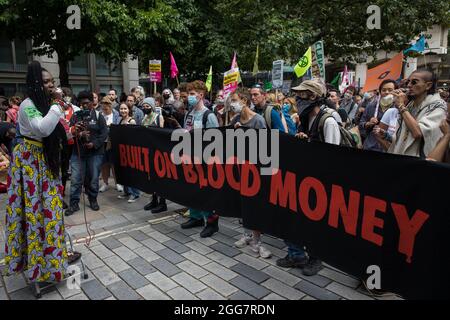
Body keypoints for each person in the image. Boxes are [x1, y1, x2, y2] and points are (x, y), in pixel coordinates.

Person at [5, 61, 79, 284]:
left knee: (50, 211)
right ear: (35, 82)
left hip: (44, 163)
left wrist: (73, 132)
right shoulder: (29, 104)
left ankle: (51, 260)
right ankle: (37, 263)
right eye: (45, 81)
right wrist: (58, 104)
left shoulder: (44, 103)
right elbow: (42, 128)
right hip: (30, 164)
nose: (50, 85)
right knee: (34, 214)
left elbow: (54, 132)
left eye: (52, 82)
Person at [277, 79, 341, 276]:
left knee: (315, 222)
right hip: (304, 177)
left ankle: (316, 257)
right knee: (291, 216)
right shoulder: (306, 118)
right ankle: (295, 254)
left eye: (302, 95)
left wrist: (310, 144)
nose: (298, 99)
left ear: (313, 97)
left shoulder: (328, 120)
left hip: (320, 181)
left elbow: (334, 157)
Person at [229, 88, 272, 259]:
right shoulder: (235, 119)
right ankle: (247, 235)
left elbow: (265, 148)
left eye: (234, 100)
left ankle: (257, 241)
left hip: (255, 172)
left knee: (255, 206)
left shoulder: (258, 120)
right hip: (240, 169)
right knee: (243, 203)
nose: (232, 104)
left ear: (244, 101)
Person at [181, 80, 220, 238]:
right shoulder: (189, 114)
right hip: (191, 158)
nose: (189, 97)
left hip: (205, 160)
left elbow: (216, 140)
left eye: (192, 94)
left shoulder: (209, 116)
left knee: (206, 192)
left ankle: (211, 223)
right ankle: (195, 217)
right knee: (192, 189)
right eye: (188, 94)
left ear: (201, 95)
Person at [65, 91, 108, 216]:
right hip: (78, 153)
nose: (84, 105)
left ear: (92, 103)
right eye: (81, 103)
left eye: (86, 103)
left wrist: (94, 144)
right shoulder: (76, 116)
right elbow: (69, 133)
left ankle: (93, 199)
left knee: (94, 178)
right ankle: (74, 204)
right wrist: (78, 134)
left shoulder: (99, 116)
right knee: (75, 179)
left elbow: (104, 133)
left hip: (95, 153)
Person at [387, 70, 447, 157]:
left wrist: (401, 106)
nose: (409, 85)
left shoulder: (438, 106)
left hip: (421, 163)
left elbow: (417, 133)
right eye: (408, 82)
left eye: (414, 82)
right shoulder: (410, 105)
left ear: (428, 85)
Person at [140, 97, 168, 213]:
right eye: (144, 106)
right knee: (151, 178)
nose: (145, 108)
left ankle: (162, 203)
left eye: (148, 106)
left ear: (152, 106)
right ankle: (154, 200)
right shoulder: (144, 118)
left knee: (160, 178)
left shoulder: (158, 117)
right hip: (148, 151)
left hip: (158, 152)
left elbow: (161, 134)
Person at [359, 79, 398, 152]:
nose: (387, 92)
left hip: (389, 147)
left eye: (390, 90)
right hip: (370, 146)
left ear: (396, 91)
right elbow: (361, 124)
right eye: (384, 90)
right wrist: (368, 124)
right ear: (380, 92)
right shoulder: (371, 106)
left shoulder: (398, 108)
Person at [117, 103, 141, 202]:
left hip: (131, 151)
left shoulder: (132, 121)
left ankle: (135, 194)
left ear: (129, 110)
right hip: (122, 150)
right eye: (121, 109)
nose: (123, 110)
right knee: (124, 172)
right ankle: (127, 192)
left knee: (132, 173)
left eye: (125, 109)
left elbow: (135, 137)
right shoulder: (121, 120)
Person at [99, 97, 120, 193]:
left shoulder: (116, 114)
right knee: (104, 164)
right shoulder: (98, 114)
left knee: (114, 164)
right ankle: (105, 183)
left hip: (113, 143)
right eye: (103, 104)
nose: (105, 106)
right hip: (102, 143)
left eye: (107, 104)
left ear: (111, 105)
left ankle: (118, 183)